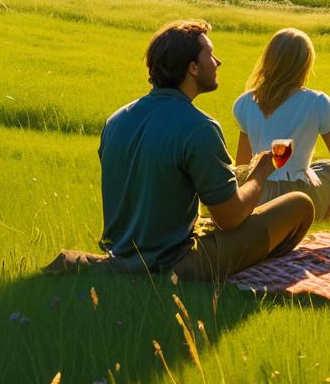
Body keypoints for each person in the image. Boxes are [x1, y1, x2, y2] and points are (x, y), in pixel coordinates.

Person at [96, 20, 314, 281]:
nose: (218, 61)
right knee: (300, 205)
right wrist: (260, 173)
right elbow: (229, 218)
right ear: (192, 68)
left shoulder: (116, 120)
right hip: (173, 264)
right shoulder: (199, 127)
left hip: (120, 254)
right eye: (210, 54)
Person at [233, 28, 330, 221]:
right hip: (301, 197)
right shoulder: (318, 102)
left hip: (259, 194)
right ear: (305, 64)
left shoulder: (244, 102)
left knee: (321, 166)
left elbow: (242, 166)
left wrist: (241, 204)